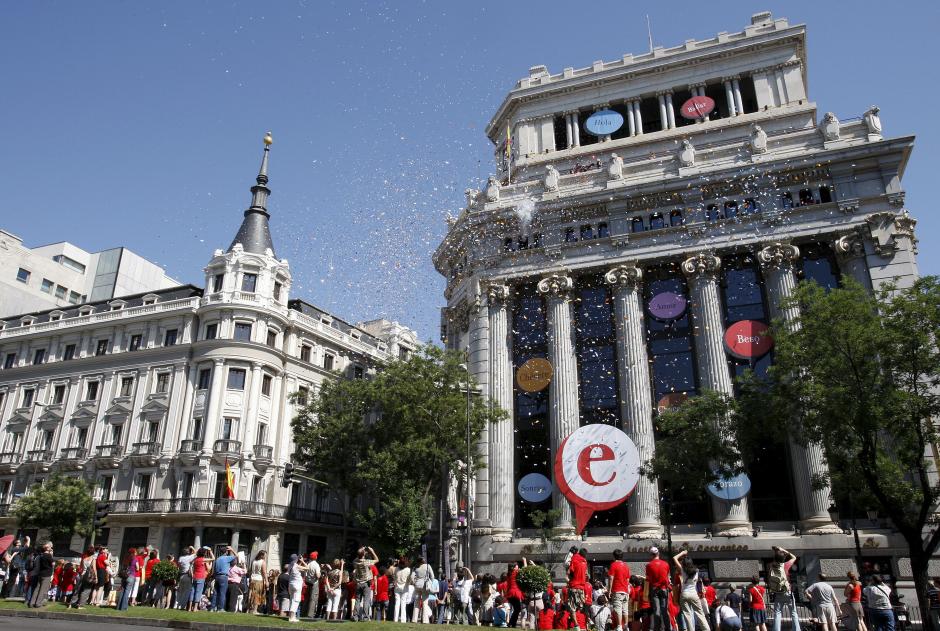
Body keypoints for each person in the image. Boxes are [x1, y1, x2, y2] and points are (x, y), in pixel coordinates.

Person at [673, 550, 709, 631]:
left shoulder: (682, 570)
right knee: (700, 614)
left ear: (683, 563)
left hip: (684, 594)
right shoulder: (696, 571)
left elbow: (674, 558)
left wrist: (682, 553)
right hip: (694, 594)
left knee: (687, 616)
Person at [767, 546, 800, 631]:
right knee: (793, 612)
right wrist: (782, 550)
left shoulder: (771, 566)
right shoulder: (786, 565)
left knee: (777, 613)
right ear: (784, 558)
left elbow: (776, 559)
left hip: (778, 592)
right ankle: (796, 629)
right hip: (788, 592)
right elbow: (794, 557)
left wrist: (777, 552)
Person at [647, 547, 672, 631]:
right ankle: (668, 628)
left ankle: (657, 629)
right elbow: (667, 577)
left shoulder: (649, 565)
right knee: (665, 610)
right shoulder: (666, 564)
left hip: (654, 589)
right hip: (664, 588)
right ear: (658, 553)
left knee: (656, 611)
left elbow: (648, 579)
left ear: (651, 555)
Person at [352, 546, 379, 621]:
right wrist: (372, 551)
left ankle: (355, 617)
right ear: (363, 554)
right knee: (366, 600)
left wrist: (361, 551)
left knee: (357, 601)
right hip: (366, 583)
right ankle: (365, 617)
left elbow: (357, 557)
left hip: (358, 583)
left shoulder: (355, 562)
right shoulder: (367, 562)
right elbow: (377, 560)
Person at [609, 549, 632, 631]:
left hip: (617, 590)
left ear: (614, 556)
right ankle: (626, 626)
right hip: (625, 591)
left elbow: (611, 578)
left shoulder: (613, 565)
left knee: (617, 608)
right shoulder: (626, 566)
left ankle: (619, 626)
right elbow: (628, 579)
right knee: (625, 609)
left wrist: (609, 591)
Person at [567, 549, 589, 631]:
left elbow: (570, 572)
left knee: (572, 607)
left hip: (574, 586)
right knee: (581, 607)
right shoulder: (585, 562)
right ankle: (586, 624)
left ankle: (576, 626)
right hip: (581, 588)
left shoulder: (575, 558)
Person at [27, 541, 54, 608]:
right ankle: (38, 603)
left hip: (40, 573)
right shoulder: (48, 556)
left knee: (37, 588)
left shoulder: (41, 555)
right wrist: (52, 555)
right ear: (49, 547)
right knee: (42, 589)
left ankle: (32, 603)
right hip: (47, 574)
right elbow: (53, 564)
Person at [211, 545, 237, 612]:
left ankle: (212, 607)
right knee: (222, 593)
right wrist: (232, 549)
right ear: (226, 552)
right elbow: (237, 556)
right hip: (224, 576)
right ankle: (220, 608)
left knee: (215, 592)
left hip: (217, 576)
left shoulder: (218, 559)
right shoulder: (227, 558)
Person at [411, 556, 435, 623]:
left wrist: (414, 583)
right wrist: (430, 583)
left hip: (417, 586)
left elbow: (412, 577)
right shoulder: (427, 566)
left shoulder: (415, 567)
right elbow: (432, 576)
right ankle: (425, 620)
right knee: (425, 603)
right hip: (425, 586)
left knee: (416, 603)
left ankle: (414, 619)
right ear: (422, 561)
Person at [286, 553, 308, 622]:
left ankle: (291, 616)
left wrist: (300, 562)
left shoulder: (290, 566)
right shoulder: (296, 566)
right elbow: (307, 568)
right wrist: (303, 561)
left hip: (291, 585)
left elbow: (299, 569)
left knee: (292, 600)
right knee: (295, 601)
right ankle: (292, 618)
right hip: (297, 585)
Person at [248, 550, 267, 615]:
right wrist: (266, 581)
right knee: (257, 595)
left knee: (251, 594)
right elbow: (264, 572)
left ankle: (249, 609)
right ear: (262, 555)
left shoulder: (253, 561)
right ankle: (255, 610)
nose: (265, 556)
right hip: (259, 579)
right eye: (265, 555)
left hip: (252, 579)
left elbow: (250, 570)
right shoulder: (262, 562)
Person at [304, 551, 321, 619]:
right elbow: (318, 575)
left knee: (307, 598)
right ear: (316, 557)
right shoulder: (316, 565)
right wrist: (320, 574)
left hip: (308, 582)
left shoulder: (308, 564)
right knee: (313, 599)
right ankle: (310, 615)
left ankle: (304, 613)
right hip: (314, 583)